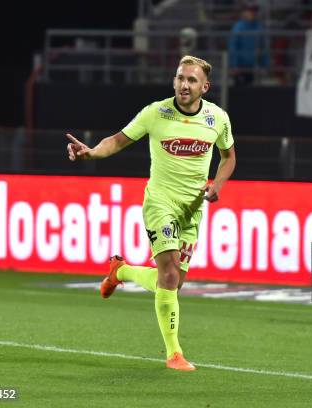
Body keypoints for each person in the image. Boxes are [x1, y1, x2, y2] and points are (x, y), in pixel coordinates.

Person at [66, 55, 236, 370]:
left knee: (173, 280)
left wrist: (218, 185)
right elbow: (117, 141)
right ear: (174, 80)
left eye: (192, 80)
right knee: (169, 274)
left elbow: (228, 157)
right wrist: (92, 152)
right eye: (180, 78)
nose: (184, 85)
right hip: (160, 203)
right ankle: (174, 353)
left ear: (205, 86)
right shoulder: (155, 113)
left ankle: (121, 271)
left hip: (192, 210)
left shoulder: (218, 118)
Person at [228, 2, 270, 86]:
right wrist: (234, 65)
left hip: (254, 66)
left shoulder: (259, 26)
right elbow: (233, 47)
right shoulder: (238, 27)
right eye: (250, 10)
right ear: (244, 12)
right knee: (239, 90)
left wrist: (265, 64)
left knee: (252, 90)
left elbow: (263, 46)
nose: (252, 13)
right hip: (240, 66)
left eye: (254, 10)